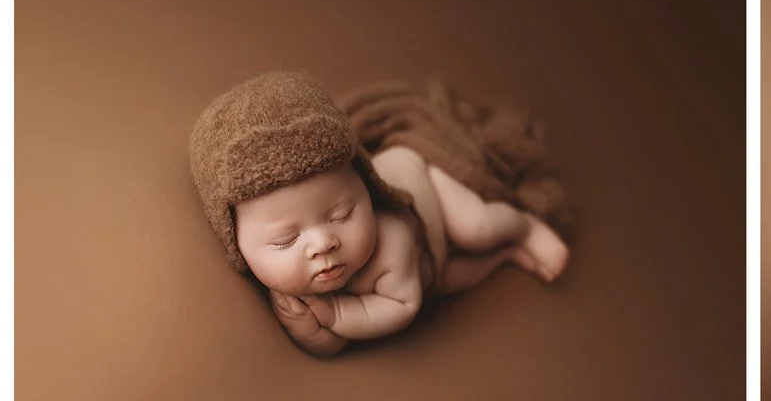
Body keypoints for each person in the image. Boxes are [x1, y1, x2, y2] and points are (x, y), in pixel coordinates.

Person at [189, 71, 569, 357]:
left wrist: (336, 313)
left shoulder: (390, 243)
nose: (323, 243)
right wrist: (305, 327)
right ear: (238, 246)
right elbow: (330, 348)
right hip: (427, 274)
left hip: (429, 194)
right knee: (450, 279)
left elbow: (406, 305)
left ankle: (522, 227)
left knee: (476, 229)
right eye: (286, 240)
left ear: (368, 188)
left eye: (341, 214)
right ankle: (505, 257)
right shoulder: (286, 288)